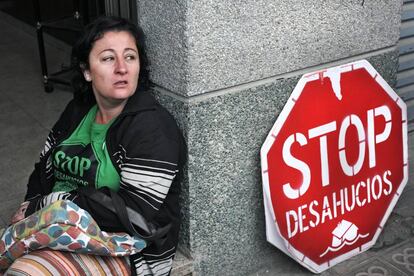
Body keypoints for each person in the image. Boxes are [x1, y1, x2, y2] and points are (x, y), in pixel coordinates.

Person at [6, 15, 186, 275]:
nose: (122, 68)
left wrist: (45, 205)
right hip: (58, 229)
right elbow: (43, 169)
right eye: (108, 58)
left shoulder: (153, 129)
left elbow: (133, 212)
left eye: (130, 57)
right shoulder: (78, 110)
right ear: (87, 71)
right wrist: (33, 211)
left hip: (125, 247)